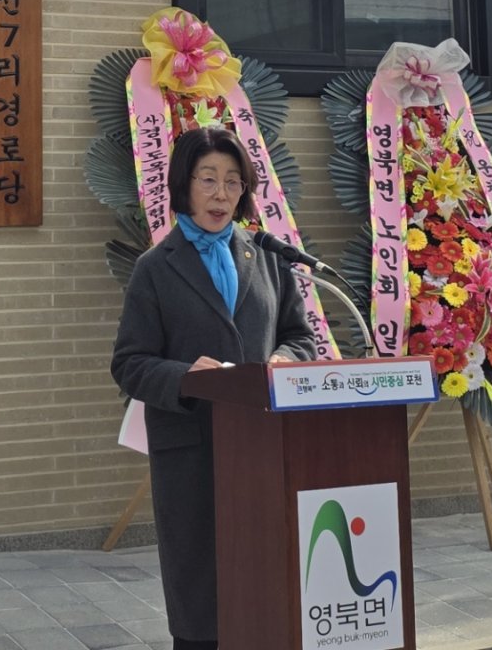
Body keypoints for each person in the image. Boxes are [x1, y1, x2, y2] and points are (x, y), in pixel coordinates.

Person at [110, 124, 315, 650]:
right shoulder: (155, 268)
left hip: (263, 446)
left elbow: (300, 336)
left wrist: (283, 359)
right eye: (208, 179)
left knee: (264, 591)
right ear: (184, 184)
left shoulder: (268, 257)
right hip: (192, 453)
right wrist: (185, 377)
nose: (221, 194)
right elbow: (130, 363)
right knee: (201, 604)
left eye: (232, 181)